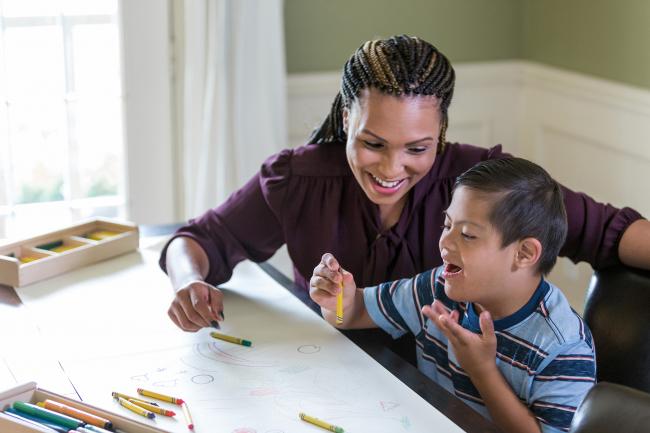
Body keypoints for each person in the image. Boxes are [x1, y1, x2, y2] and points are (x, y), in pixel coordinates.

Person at [159, 34, 649, 332]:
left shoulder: (488, 183)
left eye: (417, 148)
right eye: (373, 143)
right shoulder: (297, 178)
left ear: (441, 130)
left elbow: (609, 230)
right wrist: (191, 282)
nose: (392, 169)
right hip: (327, 373)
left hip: (452, 394)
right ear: (347, 117)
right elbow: (199, 240)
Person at [310, 157, 595, 433]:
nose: (445, 241)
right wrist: (338, 300)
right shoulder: (437, 288)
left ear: (524, 253)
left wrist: (481, 370)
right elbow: (354, 313)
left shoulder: (564, 347)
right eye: (447, 225)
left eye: (468, 234)